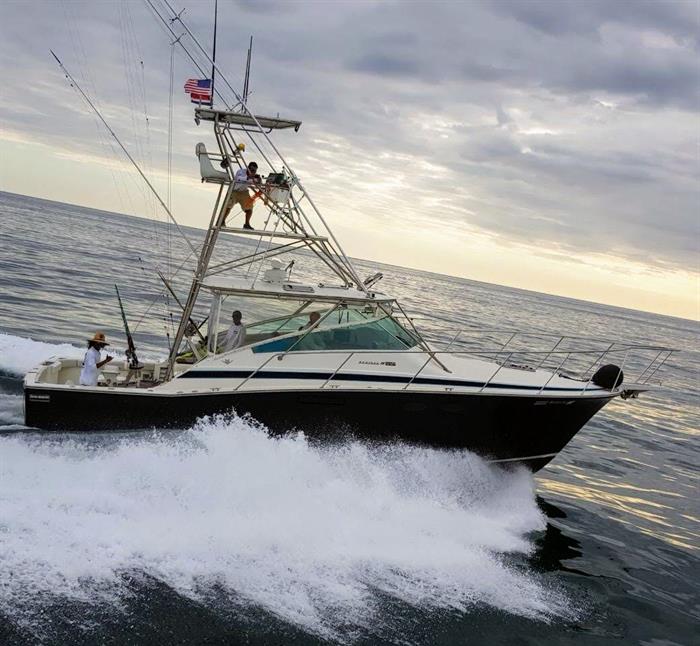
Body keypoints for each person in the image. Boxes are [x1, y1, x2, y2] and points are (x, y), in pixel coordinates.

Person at [224, 161, 260, 230]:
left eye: (254, 171)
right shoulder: (241, 172)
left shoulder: (253, 175)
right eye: (252, 170)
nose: (253, 172)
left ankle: (247, 224)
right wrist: (249, 177)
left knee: (249, 208)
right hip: (234, 190)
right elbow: (239, 178)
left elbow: (256, 182)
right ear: (248, 168)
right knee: (228, 207)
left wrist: (258, 179)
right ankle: (222, 221)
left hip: (243, 191)